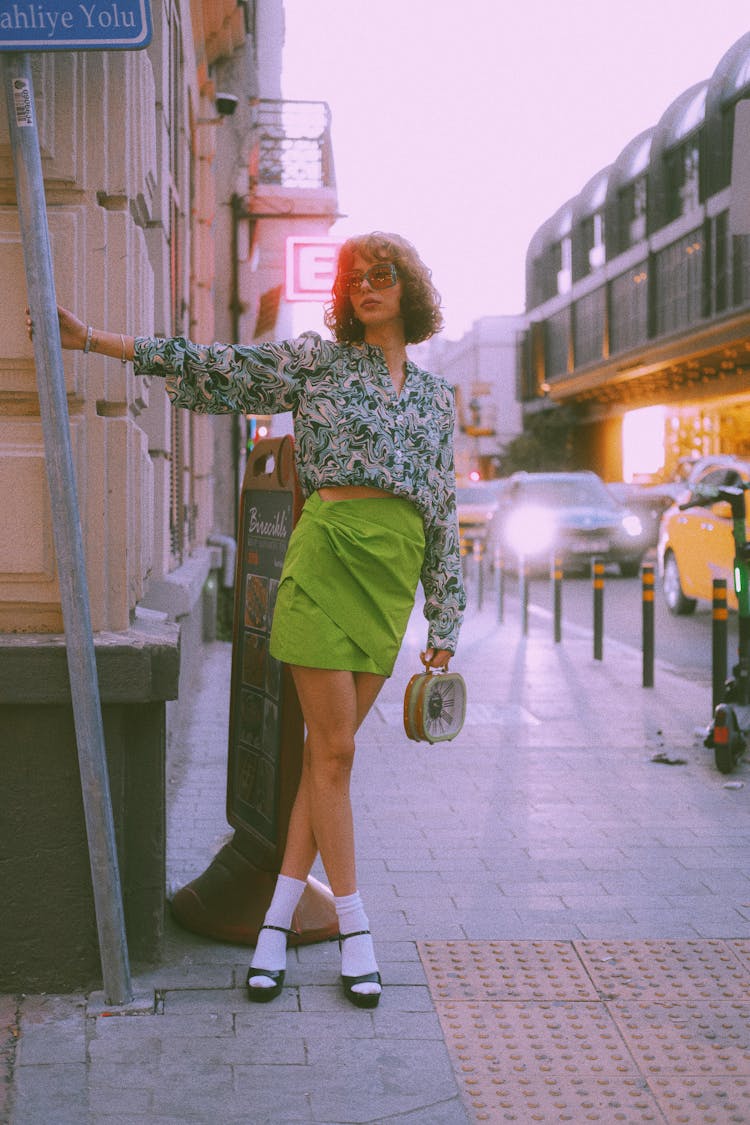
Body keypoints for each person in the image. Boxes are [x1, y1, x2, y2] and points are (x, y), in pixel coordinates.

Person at [35, 231, 466, 1009]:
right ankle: (357, 930)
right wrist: (98, 341)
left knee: (322, 760)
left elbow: (442, 510)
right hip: (324, 561)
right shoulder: (320, 362)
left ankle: (272, 928)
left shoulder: (438, 400)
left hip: (391, 579)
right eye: (353, 278)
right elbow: (220, 368)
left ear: (408, 287)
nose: (366, 286)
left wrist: (444, 617)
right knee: (334, 752)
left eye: (382, 274)